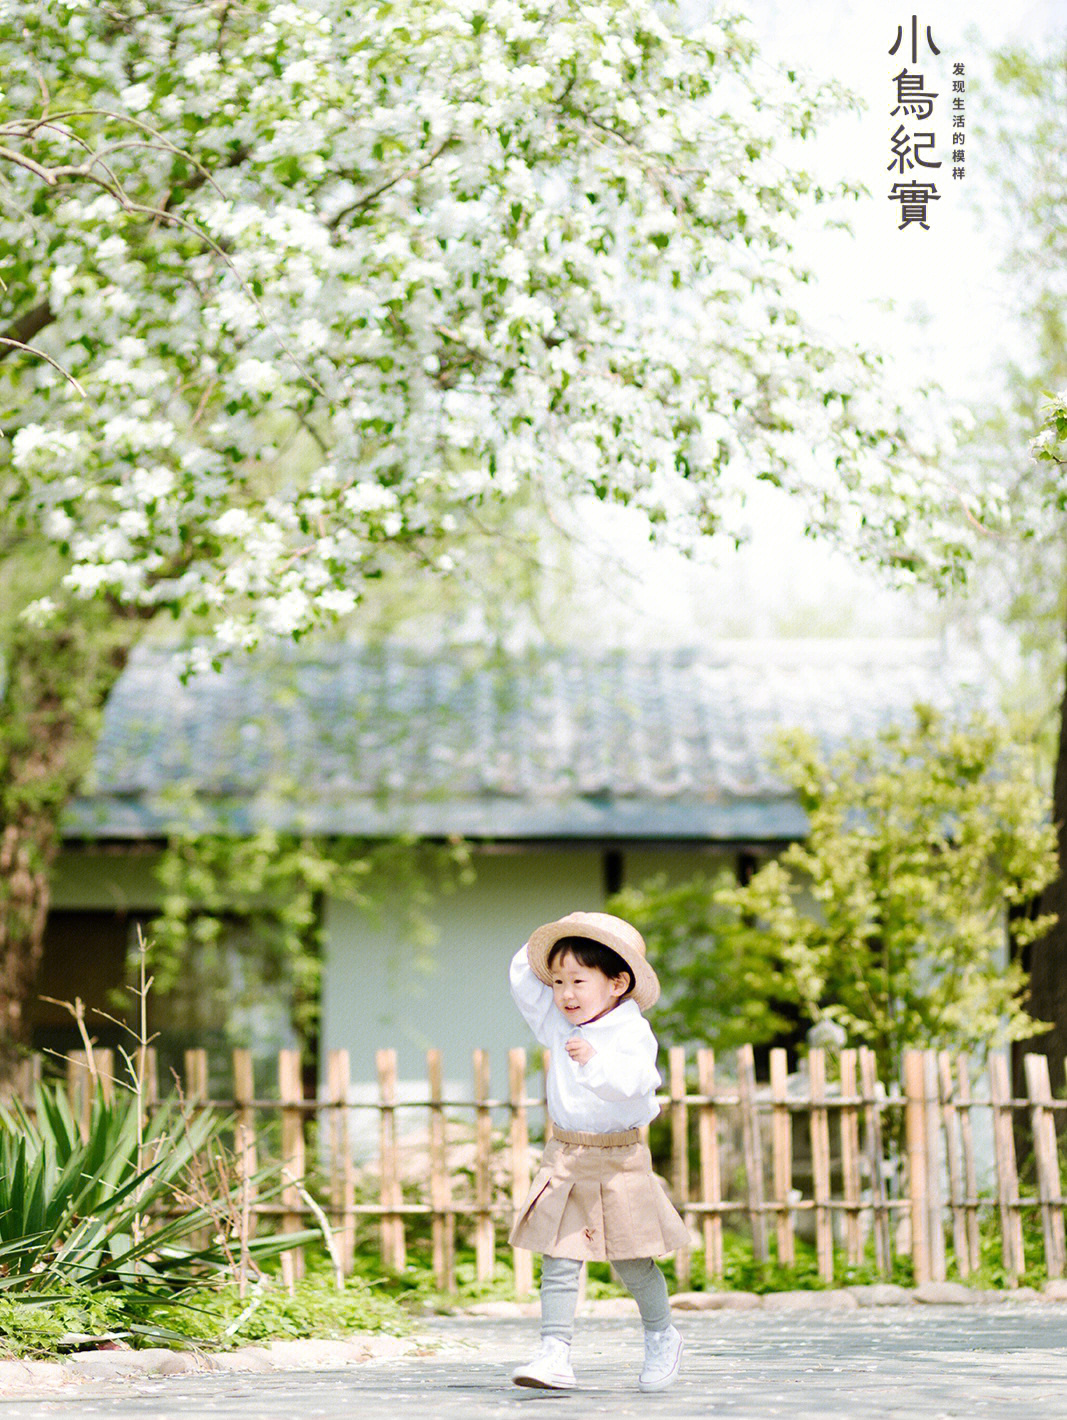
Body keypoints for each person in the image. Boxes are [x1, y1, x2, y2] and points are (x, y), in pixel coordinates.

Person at [507, 910, 689, 1392]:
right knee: (560, 1257)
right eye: (559, 981)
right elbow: (523, 979)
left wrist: (594, 1062)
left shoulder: (632, 1032)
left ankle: (661, 1336)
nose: (565, 994)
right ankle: (554, 1352)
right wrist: (565, 928)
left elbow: (634, 1087)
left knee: (632, 1259)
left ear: (617, 983)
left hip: (619, 1156)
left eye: (578, 981)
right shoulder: (558, 1024)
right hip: (567, 1154)